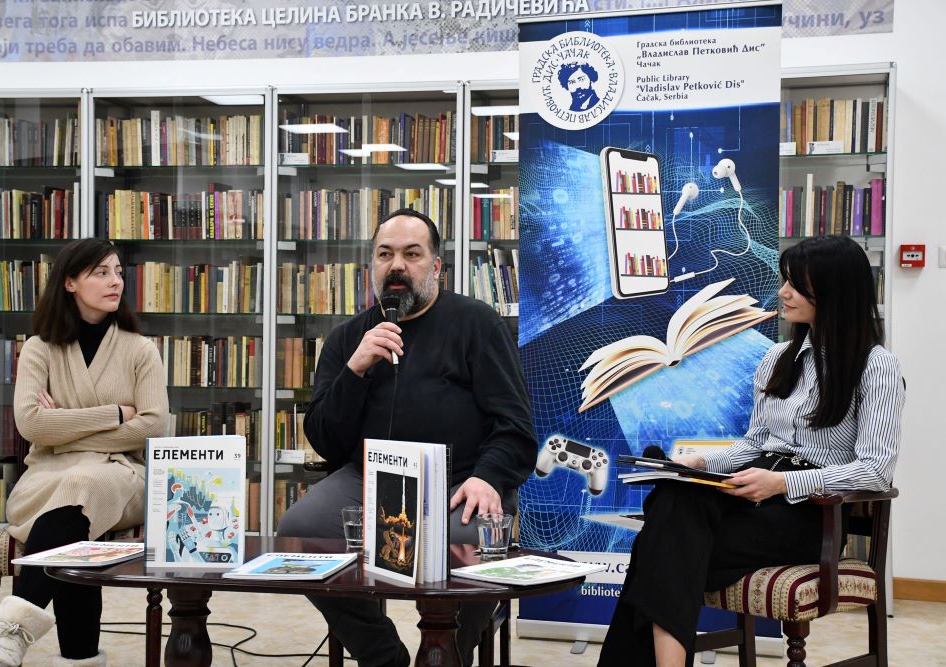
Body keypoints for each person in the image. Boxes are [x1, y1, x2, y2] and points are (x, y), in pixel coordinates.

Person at [597, 235, 905, 667]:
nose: (783, 293)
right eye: (785, 281)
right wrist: (700, 463)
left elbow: (875, 470)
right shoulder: (778, 358)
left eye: (796, 285)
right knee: (675, 499)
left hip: (810, 514)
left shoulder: (876, 367)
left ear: (834, 291)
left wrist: (782, 483)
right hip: (751, 495)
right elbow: (754, 444)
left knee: (662, 542)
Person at [277, 208, 536, 667]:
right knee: (298, 533)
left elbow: (515, 426)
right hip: (367, 481)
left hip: (460, 483)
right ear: (372, 267)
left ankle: (444, 653)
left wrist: (488, 477)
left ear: (436, 267)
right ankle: (383, 656)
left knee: (471, 546)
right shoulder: (348, 338)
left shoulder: (477, 324)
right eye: (385, 254)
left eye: (411, 254)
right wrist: (355, 370)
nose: (397, 265)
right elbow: (325, 441)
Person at [0, 239, 169, 667]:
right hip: (47, 477)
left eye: (118, 272)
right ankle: (80, 659)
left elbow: (154, 426)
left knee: (85, 484)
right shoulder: (39, 348)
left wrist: (63, 430)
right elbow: (32, 425)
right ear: (69, 282)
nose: (115, 281)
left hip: (123, 478)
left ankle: (14, 628)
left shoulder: (140, 349)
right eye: (101, 272)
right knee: (73, 526)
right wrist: (114, 414)